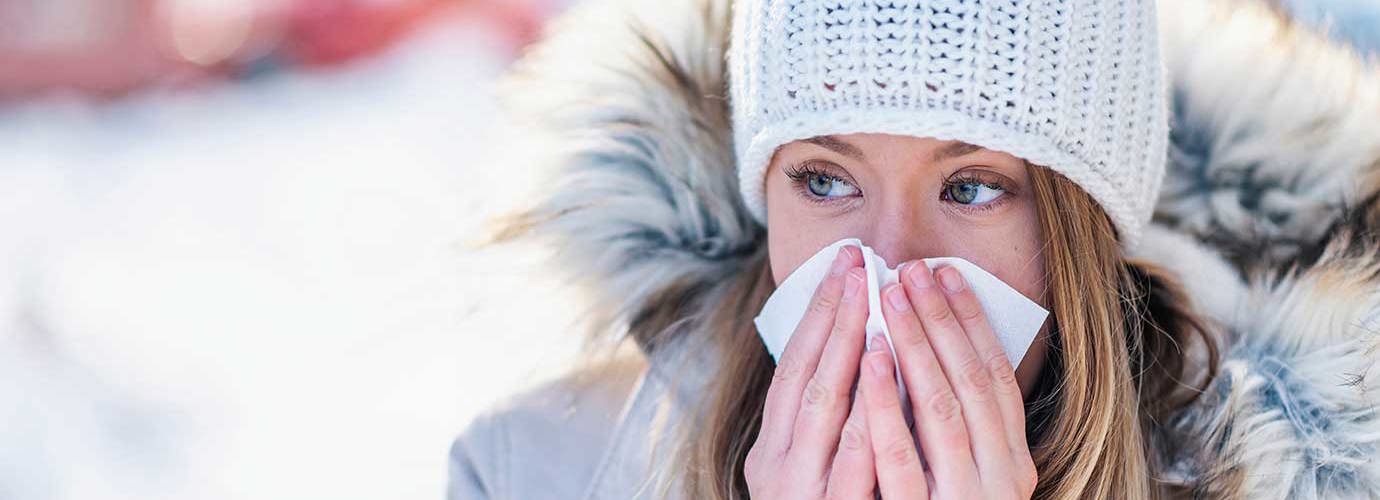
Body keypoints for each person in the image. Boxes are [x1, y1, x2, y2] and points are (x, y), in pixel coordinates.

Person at [449, 0, 1380, 498]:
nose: (888, 263)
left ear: (1082, 236)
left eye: (971, 187)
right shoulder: (533, 469)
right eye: (824, 180)